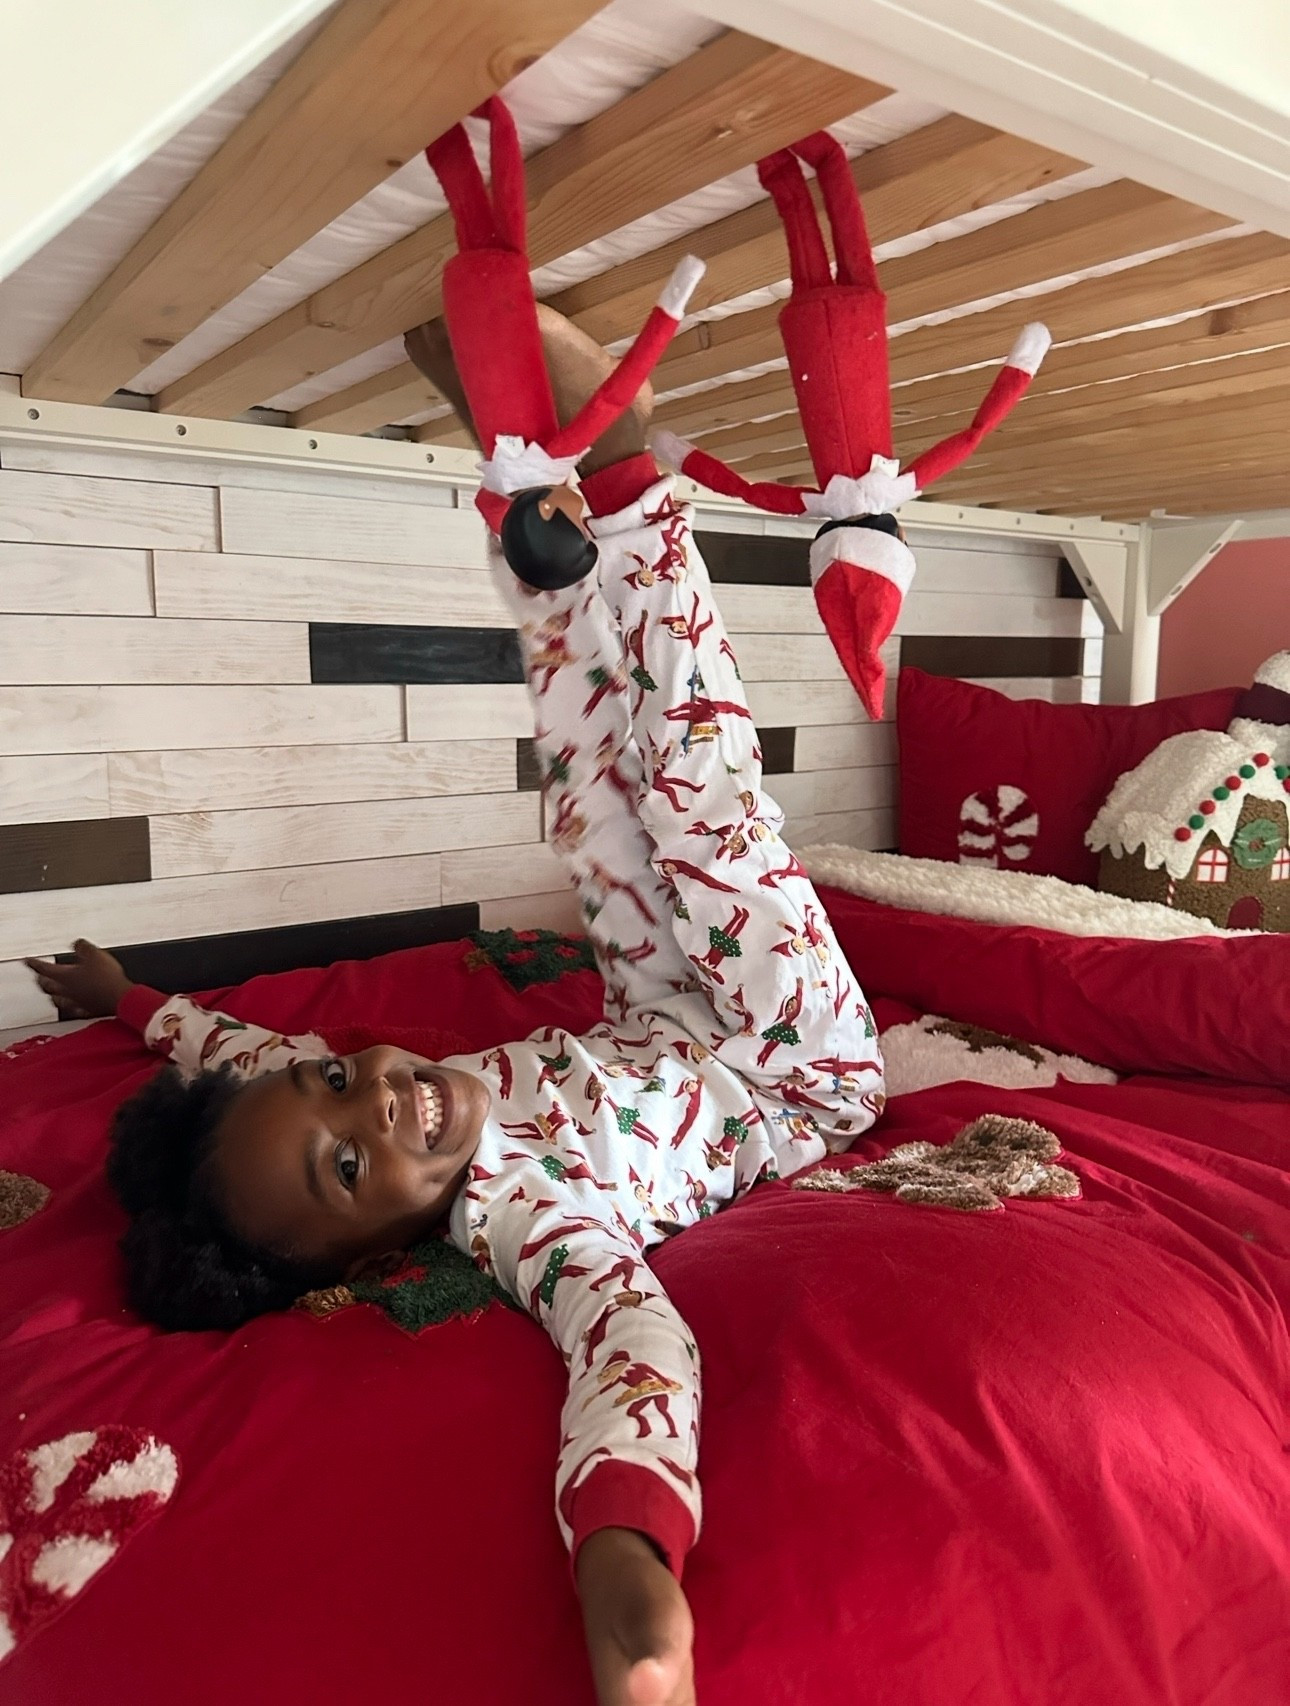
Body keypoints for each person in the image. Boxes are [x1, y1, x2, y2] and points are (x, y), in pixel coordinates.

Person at [29, 307, 885, 1706]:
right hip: (794, 1067)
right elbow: (629, 1346)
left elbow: (244, 1048)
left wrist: (128, 998)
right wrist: (630, 1578)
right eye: (349, 1167)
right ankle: (627, 494)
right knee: (708, 827)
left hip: (654, 1016)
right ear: (379, 1251)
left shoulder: (344, 1097)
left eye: (332, 1088)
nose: (375, 1100)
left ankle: (545, 530)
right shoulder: (522, 1222)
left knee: (591, 816)